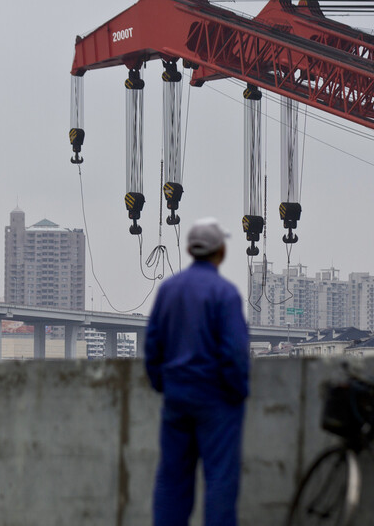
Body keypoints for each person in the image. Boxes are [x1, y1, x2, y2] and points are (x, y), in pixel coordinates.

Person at [145, 217, 250, 526]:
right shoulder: (225, 293)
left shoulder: (168, 290)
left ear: (190, 249)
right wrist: (238, 390)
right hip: (216, 400)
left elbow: (152, 346)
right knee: (219, 480)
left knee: (172, 479)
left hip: (177, 397)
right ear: (221, 252)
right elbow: (234, 352)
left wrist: (163, 385)